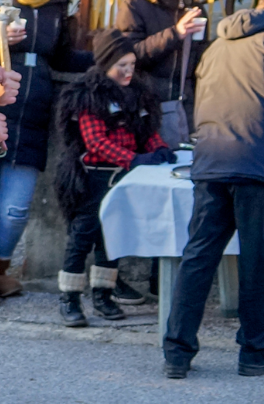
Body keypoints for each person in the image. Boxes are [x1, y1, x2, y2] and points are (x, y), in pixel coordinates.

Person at [0, 5, 88, 307]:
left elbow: (64, 57)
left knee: (16, 210)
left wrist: (109, 58)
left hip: (33, 118)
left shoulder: (56, 10)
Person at [163, 8, 264, 379]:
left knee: (199, 256)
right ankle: (254, 353)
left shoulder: (217, 45)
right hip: (256, 163)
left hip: (210, 162)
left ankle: (176, 352)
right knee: (257, 263)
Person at [55, 41, 175, 328]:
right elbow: (95, 142)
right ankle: (69, 298)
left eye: (132, 65)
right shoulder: (89, 96)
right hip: (93, 176)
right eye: (122, 65)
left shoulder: (138, 95)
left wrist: (159, 150)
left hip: (122, 177)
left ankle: (103, 296)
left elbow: (147, 132)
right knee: (82, 236)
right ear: (107, 64)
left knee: (112, 237)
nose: (128, 71)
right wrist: (133, 160)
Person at [111, 0, 212, 145]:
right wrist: (175, 33)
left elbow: (200, 59)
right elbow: (128, 55)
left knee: (187, 158)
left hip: (186, 103)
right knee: (154, 159)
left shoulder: (195, 7)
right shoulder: (134, 4)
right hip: (147, 104)